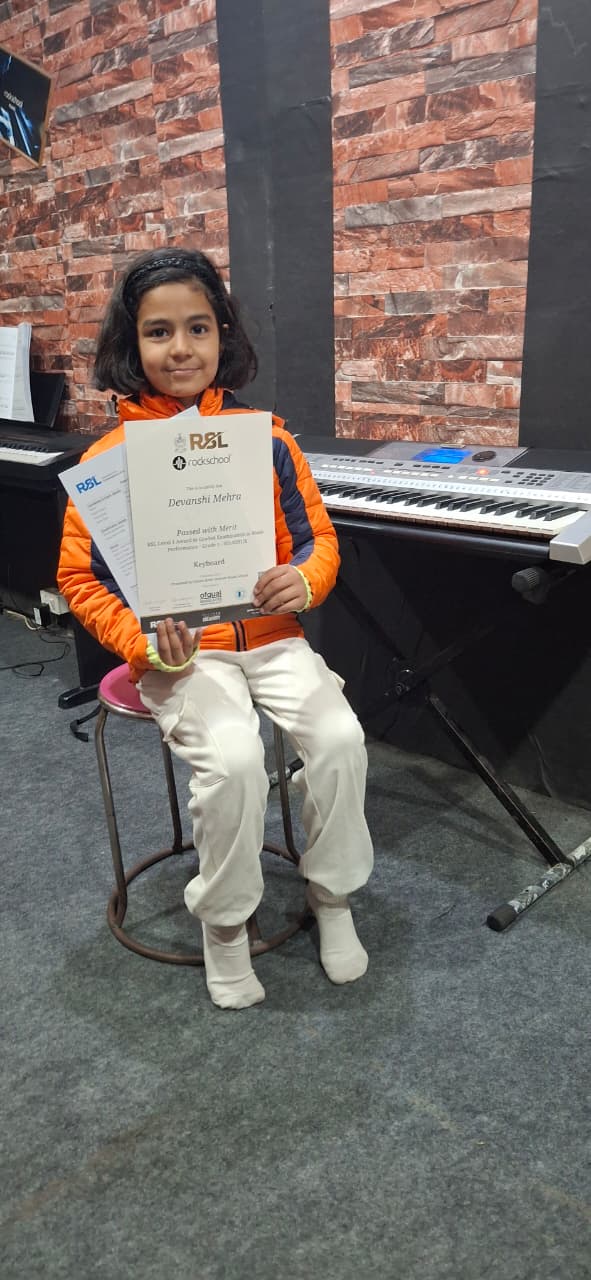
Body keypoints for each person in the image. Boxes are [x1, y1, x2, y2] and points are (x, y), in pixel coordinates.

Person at [58, 247, 374, 1010]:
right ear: (131, 343)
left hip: (271, 637)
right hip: (179, 657)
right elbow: (80, 580)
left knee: (340, 739)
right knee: (233, 759)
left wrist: (303, 580)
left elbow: (318, 541)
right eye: (158, 331)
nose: (181, 348)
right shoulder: (106, 461)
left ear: (221, 334)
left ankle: (332, 896)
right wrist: (141, 643)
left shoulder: (268, 441)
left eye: (198, 328)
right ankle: (225, 925)